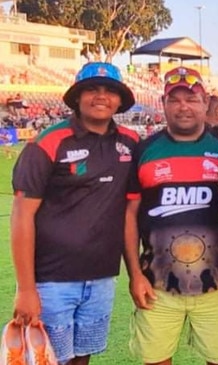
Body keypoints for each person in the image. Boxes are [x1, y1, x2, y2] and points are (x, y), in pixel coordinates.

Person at [10, 62, 139, 365]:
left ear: (120, 100)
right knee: (47, 359)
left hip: (102, 278)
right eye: (92, 89)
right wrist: (27, 288)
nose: (101, 96)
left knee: (82, 357)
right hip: (51, 281)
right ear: (77, 96)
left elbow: (131, 211)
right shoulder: (48, 142)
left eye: (110, 91)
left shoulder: (130, 143)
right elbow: (21, 217)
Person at [124, 66, 218, 365]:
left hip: (217, 284)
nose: (183, 106)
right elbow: (130, 216)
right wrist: (135, 275)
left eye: (191, 98)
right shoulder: (145, 150)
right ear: (163, 104)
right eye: (174, 100)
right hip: (157, 285)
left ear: (205, 103)